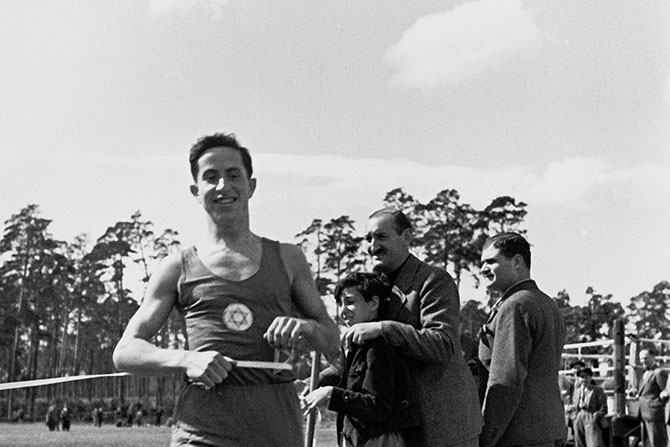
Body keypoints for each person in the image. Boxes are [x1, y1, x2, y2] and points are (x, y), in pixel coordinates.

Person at [112, 132, 340, 446]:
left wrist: (305, 327)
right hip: (202, 429)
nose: (223, 186)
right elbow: (125, 352)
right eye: (211, 177)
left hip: (276, 428)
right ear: (196, 191)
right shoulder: (177, 266)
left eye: (233, 175)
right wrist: (186, 360)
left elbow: (331, 340)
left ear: (251, 185)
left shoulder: (288, 258)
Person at [343, 208, 482, 447]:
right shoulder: (373, 288)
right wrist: (321, 381)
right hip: (400, 432)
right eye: (368, 239)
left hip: (444, 429)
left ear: (407, 237)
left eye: (381, 236)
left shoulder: (433, 280)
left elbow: (443, 344)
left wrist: (383, 328)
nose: (372, 245)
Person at [302, 272, 419, 447]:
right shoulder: (356, 346)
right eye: (340, 304)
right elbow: (340, 374)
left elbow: (377, 406)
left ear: (373, 303)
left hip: (379, 441)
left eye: (350, 302)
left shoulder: (378, 347)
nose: (342, 311)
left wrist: (330, 394)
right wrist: (312, 385)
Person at [478, 232, 567, 447]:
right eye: (482, 263)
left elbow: (506, 380)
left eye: (491, 261)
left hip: (516, 434)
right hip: (549, 429)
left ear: (517, 261)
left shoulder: (515, 305)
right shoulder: (547, 303)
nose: (483, 270)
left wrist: (485, 437)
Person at [634, 348, 668, 447]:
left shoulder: (659, 372)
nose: (643, 361)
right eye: (641, 359)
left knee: (657, 442)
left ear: (653, 357)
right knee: (646, 442)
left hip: (655, 414)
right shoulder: (645, 373)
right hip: (644, 413)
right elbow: (646, 392)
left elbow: (666, 391)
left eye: (646, 358)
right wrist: (637, 393)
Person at [568, 368, 607, 447]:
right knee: (579, 441)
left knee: (593, 442)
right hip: (578, 416)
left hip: (590, 415)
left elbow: (604, 407)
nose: (584, 379)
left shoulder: (597, 390)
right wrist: (573, 417)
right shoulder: (576, 390)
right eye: (582, 377)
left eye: (586, 377)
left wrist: (596, 416)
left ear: (590, 377)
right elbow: (573, 404)